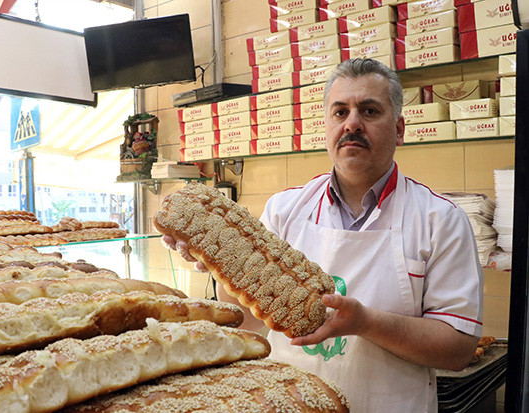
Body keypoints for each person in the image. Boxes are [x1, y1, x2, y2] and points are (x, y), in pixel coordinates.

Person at [162, 58, 483, 412]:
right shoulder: (285, 208)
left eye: (370, 111)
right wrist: (218, 261)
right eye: (340, 112)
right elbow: (250, 319)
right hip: (291, 404)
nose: (352, 124)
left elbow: (457, 349)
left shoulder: (440, 220)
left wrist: (365, 323)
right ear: (326, 127)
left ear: (400, 129)